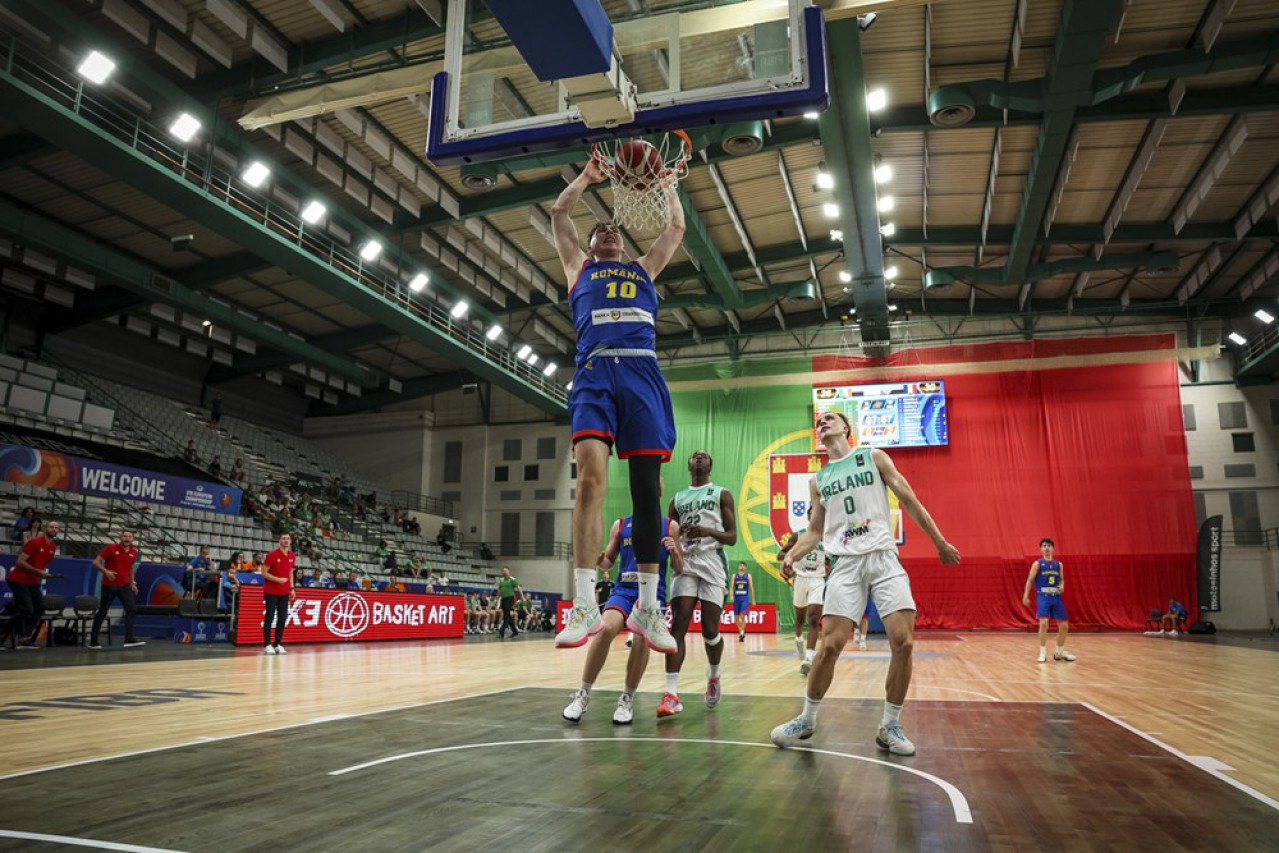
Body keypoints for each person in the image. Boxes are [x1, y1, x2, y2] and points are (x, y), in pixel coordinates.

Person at [551, 159, 683, 656]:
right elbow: (559, 215)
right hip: (594, 372)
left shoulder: (643, 269)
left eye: (614, 230)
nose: (607, 230)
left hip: (642, 373)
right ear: (590, 246)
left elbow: (676, 227)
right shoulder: (577, 268)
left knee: (647, 493)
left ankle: (649, 608)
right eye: (599, 229)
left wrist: (668, 185)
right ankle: (583, 602)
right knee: (589, 479)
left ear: (622, 245)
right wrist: (586, 178)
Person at [771, 411, 961, 756]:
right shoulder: (819, 480)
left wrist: (940, 541)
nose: (823, 422)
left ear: (846, 428)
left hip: (883, 557)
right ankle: (807, 719)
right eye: (819, 421)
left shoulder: (872, 457)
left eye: (830, 418)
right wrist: (791, 555)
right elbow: (814, 532)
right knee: (830, 646)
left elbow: (909, 499)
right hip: (845, 564)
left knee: (902, 642)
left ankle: (889, 725)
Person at [563, 514, 684, 725]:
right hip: (624, 589)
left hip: (653, 592)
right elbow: (609, 561)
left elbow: (679, 567)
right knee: (605, 629)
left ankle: (627, 699)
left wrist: (674, 551)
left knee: (641, 638)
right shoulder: (620, 524)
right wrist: (599, 559)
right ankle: (583, 694)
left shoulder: (668, 525)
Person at [661, 450, 738, 717]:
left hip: (712, 561)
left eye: (704, 456)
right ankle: (671, 694)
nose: (698, 458)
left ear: (710, 465)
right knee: (678, 626)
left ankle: (714, 676)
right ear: (688, 465)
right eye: (694, 456)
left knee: (709, 629)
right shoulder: (677, 500)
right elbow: (670, 532)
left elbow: (731, 537)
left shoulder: (721, 494)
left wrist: (706, 531)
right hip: (686, 563)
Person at [779, 505, 831, 671]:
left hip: (818, 579)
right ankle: (799, 638)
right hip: (801, 578)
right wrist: (792, 558)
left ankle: (809, 657)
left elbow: (831, 559)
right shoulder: (799, 535)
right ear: (809, 517)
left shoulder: (828, 537)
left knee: (814, 618)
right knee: (800, 619)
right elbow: (780, 554)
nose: (815, 516)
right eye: (812, 513)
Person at [88, 529, 145, 649]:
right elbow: (96, 562)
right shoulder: (111, 548)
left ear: (133, 539)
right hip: (109, 585)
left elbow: (131, 568)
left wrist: (132, 583)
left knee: (131, 609)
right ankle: (93, 641)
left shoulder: (134, 552)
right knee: (103, 611)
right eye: (125, 536)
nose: (127, 538)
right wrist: (106, 571)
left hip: (124, 585)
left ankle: (129, 639)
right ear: (121, 537)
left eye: (130, 536)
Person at [1022, 538, 1075, 663]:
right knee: (1044, 623)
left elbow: (1061, 579)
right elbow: (1030, 580)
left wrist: (1062, 586)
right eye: (1044, 546)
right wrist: (1026, 595)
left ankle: (1059, 653)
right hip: (1043, 596)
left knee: (1064, 626)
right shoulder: (1038, 564)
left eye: (1049, 545)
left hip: (1056, 597)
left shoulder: (1058, 564)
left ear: (1053, 548)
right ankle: (1042, 653)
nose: (1047, 548)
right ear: (1041, 549)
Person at [7, 519, 59, 648]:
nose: (54, 529)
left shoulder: (52, 547)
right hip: (18, 579)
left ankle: (26, 636)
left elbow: (41, 566)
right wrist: (38, 572)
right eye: (51, 527)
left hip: (33, 581)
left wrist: (40, 577)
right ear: (45, 528)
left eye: (56, 528)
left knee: (40, 607)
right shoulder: (34, 542)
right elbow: (20, 562)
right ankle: (3, 630)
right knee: (27, 609)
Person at [260, 533, 295, 655]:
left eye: (288, 539)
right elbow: (264, 573)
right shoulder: (272, 555)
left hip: (284, 592)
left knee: (282, 617)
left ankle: (277, 644)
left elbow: (290, 573)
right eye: (283, 538)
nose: (286, 541)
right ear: (279, 541)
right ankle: (267, 644)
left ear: (290, 542)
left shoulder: (292, 556)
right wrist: (277, 579)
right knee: (269, 616)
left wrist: (292, 588)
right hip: (271, 591)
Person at [495, 566, 523, 639]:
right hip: (503, 599)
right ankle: (515, 632)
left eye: (505, 571)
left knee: (506, 617)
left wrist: (522, 597)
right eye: (503, 571)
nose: (504, 572)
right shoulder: (501, 580)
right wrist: (497, 597)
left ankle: (501, 633)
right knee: (508, 617)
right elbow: (499, 589)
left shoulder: (512, 579)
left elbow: (519, 588)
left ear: (509, 571)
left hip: (510, 599)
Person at [730, 561, 754, 643]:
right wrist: (731, 595)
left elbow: (751, 588)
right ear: (738, 567)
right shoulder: (734, 576)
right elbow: (731, 587)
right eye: (740, 565)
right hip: (737, 597)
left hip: (744, 597)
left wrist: (753, 599)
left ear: (745, 568)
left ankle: (742, 633)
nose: (741, 567)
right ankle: (741, 630)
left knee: (742, 615)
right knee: (736, 619)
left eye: (743, 566)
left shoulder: (748, 576)